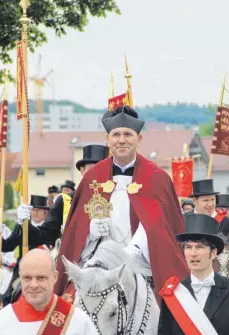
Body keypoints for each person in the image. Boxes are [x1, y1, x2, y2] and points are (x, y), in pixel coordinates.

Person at [55, 105, 189, 297]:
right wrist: (90, 233)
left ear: (139, 139)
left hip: (143, 265)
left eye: (128, 134)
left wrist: (135, 248)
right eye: (116, 135)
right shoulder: (92, 177)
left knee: (170, 313)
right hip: (99, 266)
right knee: (70, 311)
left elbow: (162, 226)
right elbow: (75, 234)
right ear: (107, 140)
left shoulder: (157, 177)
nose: (122, 140)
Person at [0, 144, 109, 304]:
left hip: (109, 271)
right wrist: (24, 222)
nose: (98, 173)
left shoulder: (118, 199)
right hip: (72, 271)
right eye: (93, 168)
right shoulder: (65, 201)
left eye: (103, 168)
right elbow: (42, 235)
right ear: (82, 171)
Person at [187, 179, 229, 276]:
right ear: (195, 201)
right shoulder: (184, 221)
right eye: (205, 200)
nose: (210, 204)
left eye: (212, 200)